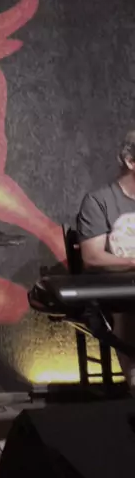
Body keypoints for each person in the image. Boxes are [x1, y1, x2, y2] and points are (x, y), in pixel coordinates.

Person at [77, 130, 135, 392]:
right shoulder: (99, 201)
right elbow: (92, 257)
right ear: (130, 162)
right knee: (129, 306)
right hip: (117, 291)